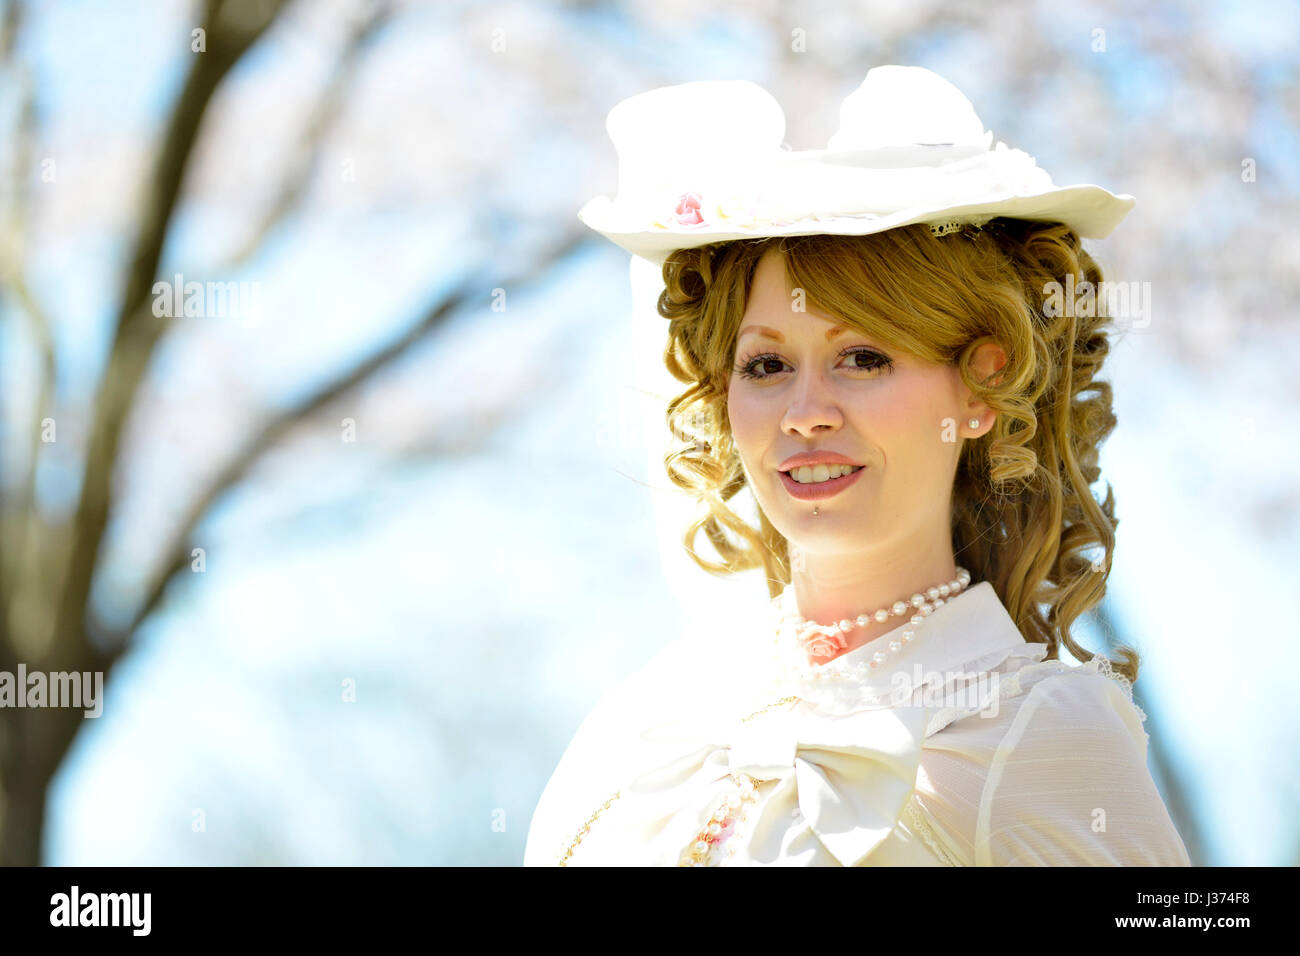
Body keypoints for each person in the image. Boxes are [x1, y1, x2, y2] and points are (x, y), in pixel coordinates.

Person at [523, 65, 1191, 866]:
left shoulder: (1038, 731)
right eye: (766, 366)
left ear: (982, 385)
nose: (806, 410)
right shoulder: (648, 723)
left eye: (864, 357)